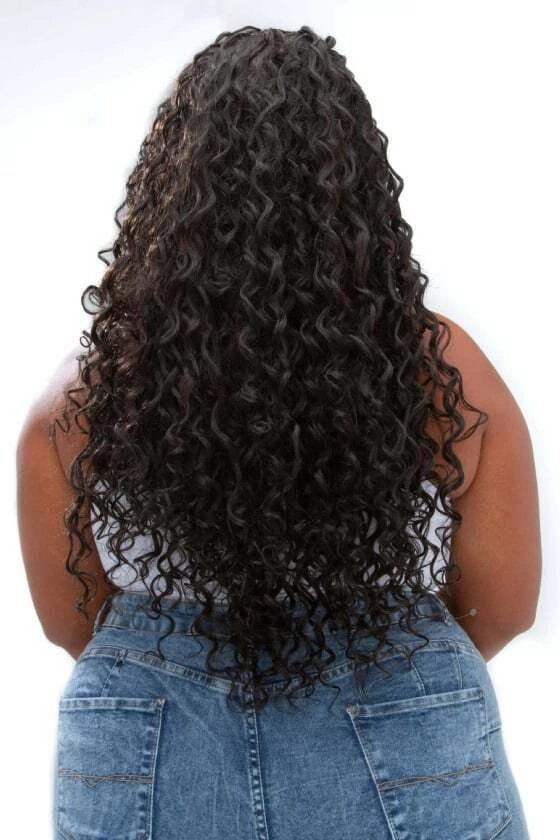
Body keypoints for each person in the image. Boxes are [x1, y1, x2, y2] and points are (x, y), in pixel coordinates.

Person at [16, 24, 539, 840]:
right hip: (404, 740)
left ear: (175, 186)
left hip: (153, 749)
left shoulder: (82, 398)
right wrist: (387, 655)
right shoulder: (446, 377)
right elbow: (504, 607)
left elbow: (68, 620)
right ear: (355, 183)